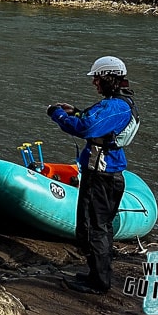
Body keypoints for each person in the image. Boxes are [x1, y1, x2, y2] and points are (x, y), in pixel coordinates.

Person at [47, 55, 136, 295]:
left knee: (96, 228)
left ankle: (100, 282)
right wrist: (75, 111)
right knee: (91, 226)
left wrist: (57, 114)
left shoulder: (116, 106)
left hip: (103, 177)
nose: (94, 83)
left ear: (109, 77)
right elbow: (93, 121)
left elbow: (86, 127)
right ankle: (96, 273)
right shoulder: (116, 102)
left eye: (97, 78)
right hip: (102, 175)